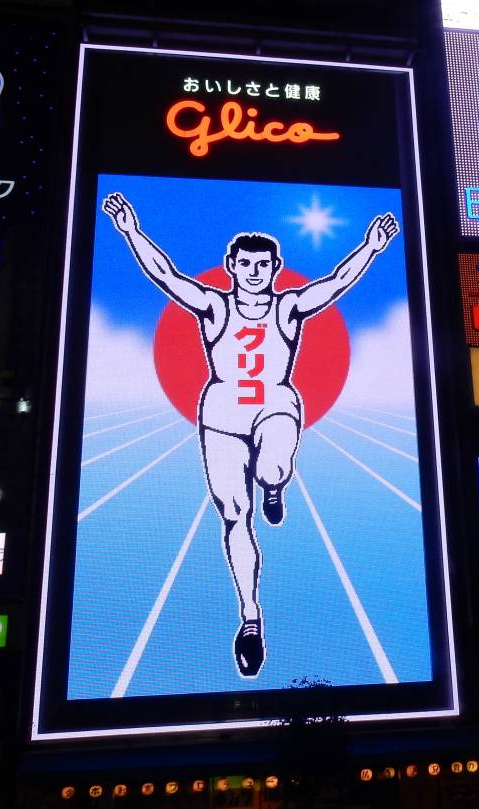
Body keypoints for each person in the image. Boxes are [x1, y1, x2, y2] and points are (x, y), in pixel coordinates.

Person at [102, 191, 397, 677]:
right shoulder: (214, 308)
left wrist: (371, 246)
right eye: (246, 264)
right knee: (234, 515)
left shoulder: (289, 308)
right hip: (221, 415)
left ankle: (275, 486)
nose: (255, 272)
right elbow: (166, 276)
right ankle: (251, 618)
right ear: (232, 266)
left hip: (276, 404)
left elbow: (337, 282)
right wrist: (131, 231)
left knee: (272, 467)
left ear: (276, 267)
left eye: (264, 264)